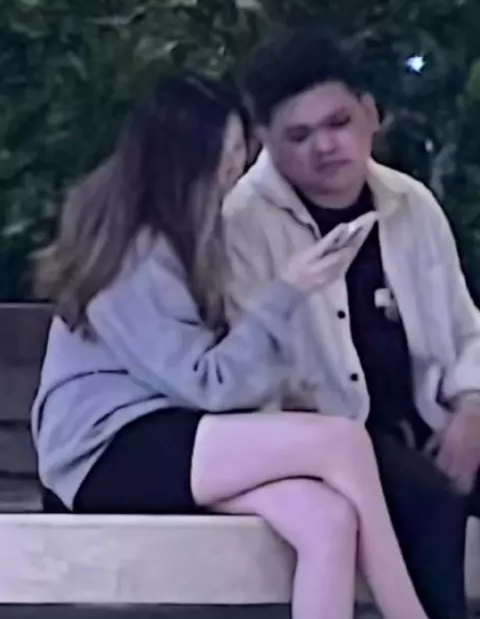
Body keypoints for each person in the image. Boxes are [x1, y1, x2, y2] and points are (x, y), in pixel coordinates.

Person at [31, 73, 430, 619]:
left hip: (174, 435)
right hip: (105, 452)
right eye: (230, 151)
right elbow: (209, 385)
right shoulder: (135, 256)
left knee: (327, 521)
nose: (237, 167)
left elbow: (213, 384)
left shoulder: (187, 236)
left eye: (241, 150)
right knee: (341, 443)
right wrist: (288, 291)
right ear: (187, 159)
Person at [224, 30, 480, 619]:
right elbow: (244, 367)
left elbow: (465, 328)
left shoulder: (410, 204)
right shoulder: (241, 223)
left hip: (433, 421)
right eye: (299, 136)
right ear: (265, 141)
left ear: (370, 113)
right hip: (332, 444)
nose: (325, 146)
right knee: (428, 498)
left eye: (338, 122)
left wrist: (471, 410)